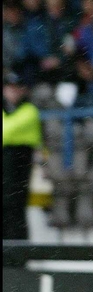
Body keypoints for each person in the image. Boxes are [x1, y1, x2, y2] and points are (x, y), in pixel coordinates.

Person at [3, 71, 42, 240]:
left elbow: (6, 131)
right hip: (8, 161)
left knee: (15, 207)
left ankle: (18, 254)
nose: (13, 92)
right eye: (9, 88)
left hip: (18, 161)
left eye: (16, 88)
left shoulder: (30, 110)